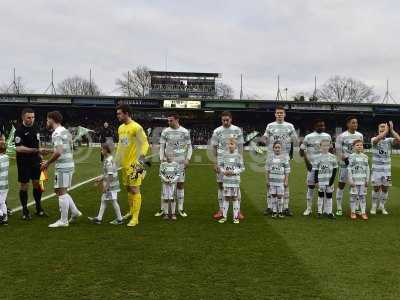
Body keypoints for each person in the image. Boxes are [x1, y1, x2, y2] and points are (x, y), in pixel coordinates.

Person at [41, 111, 82, 228]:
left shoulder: (56, 133)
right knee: (59, 191)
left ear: (51, 120)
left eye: (47, 119)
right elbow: (65, 149)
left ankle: (64, 221)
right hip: (69, 164)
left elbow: (59, 152)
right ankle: (74, 212)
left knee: (61, 192)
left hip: (63, 166)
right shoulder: (65, 131)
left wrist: (48, 163)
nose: (46, 122)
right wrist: (48, 151)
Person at [115, 104, 149, 227]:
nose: (117, 115)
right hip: (124, 165)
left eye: (119, 113)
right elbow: (121, 145)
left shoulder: (136, 127)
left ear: (126, 113)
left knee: (135, 189)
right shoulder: (120, 128)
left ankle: (135, 218)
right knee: (128, 189)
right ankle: (131, 211)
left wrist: (142, 157)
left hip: (135, 164)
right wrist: (116, 160)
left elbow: (145, 144)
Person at [262, 106, 298, 216]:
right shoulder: (270, 125)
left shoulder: (289, 126)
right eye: (277, 113)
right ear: (275, 114)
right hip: (271, 157)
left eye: (281, 113)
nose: (279, 115)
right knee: (270, 183)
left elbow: (295, 140)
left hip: (284, 157)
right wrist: (264, 140)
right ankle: (269, 207)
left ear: (284, 114)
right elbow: (264, 138)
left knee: (285, 183)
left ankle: (285, 208)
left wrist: (291, 142)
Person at [155, 113, 192, 218]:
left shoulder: (184, 132)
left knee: (180, 185)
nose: (169, 122)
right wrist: (162, 158)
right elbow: (162, 146)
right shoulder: (165, 131)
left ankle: (180, 208)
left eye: (171, 120)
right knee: (165, 185)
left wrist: (187, 159)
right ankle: (163, 209)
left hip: (180, 163)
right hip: (168, 163)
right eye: (168, 120)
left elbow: (189, 147)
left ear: (177, 120)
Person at [15, 108, 48, 219]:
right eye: (29, 117)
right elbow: (19, 148)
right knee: (24, 185)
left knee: (37, 183)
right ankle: (25, 210)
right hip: (23, 162)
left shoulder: (36, 127)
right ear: (23, 117)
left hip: (36, 161)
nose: (31, 119)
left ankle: (38, 208)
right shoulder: (19, 130)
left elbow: (37, 144)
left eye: (33, 117)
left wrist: (41, 156)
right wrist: (36, 150)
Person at [211, 111, 244, 220]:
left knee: (236, 186)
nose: (225, 122)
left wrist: (241, 159)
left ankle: (237, 211)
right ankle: (221, 210)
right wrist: (215, 162)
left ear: (231, 119)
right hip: (222, 162)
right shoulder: (217, 131)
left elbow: (240, 146)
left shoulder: (237, 130)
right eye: (223, 120)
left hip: (234, 161)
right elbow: (214, 148)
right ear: (221, 120)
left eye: (227, 120)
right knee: (221, 185)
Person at [300, 120, 332, 216]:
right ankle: (309, 208)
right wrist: (307, 163)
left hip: (325, 168)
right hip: (312, 167)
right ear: (315, 126)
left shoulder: (327, 136)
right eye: (320, 125)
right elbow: (301, 151)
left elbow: (330, 151)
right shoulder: (308, 137)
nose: (322, 127)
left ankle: (326, 210)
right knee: (311, 187)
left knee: (326, 188)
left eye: (323, 125)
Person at [334, 117, 363, 216]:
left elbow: (360, 149)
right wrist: (346, 160)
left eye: (356, 123)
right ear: (348, 124)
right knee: (341, 185)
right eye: (353, 123)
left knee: (357, 186)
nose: (355, 124)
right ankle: (338, 207)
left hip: (357, 167)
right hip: (344, 165)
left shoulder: (360, 135)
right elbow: (338, 151)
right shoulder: (342, 136)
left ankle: (356, 208)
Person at [88, 143, 123, 225]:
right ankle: (99, 218)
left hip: (111, 185)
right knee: (104, 200)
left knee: (113, 201)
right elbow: (107, 174)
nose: (101, 151)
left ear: (106, 150)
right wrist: (100, 179)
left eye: (102, 149)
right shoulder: (109, 159)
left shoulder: (108, 161)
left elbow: (110, 175)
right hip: (111, 184)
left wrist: (106, 186)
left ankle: (119, 219)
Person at [370, 121, 400, 215]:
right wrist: (386, 131)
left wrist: (391, 130)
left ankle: (382, 206)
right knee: (376, 188)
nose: (383, 128)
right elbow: (377, 140)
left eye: (384, 127)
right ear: (378, 129)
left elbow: (398, 140)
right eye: (381, 127)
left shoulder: (389, 140)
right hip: (376, 170)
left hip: (387, 170)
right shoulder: (374, 139)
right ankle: (374, 206)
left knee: (385, 188)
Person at [217, 138, 245, 224]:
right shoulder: (224, 155)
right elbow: (220, 166)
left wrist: (233, 172)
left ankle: (235, 217)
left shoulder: (238, 156)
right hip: (226, 181)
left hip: (235, 181)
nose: (230, 145)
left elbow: (243, 168)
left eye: (232, 144)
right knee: (226, 198)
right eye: (229, 144)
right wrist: (224, 171)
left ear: (235, 146)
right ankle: (224, 217)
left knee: (235, 198)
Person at [313, 139, 338, 219]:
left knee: (329, 196)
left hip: (329, 180)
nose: (325, 147)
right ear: (320, 146)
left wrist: (332, 180)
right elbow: (316, 170)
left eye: (327, 145)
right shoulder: (317, 158)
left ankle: (329, 212)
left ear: (330, 146)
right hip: (321, 181)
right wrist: (316, 181)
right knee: (320, 196)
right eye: (323, 145)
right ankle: (320, 212)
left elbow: (335, 169)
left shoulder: (333, 157)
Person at [266, 141, 290, 219]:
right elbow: (267, 170)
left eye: (279, 147)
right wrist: (267, 180)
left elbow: (287, 171)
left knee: (280, 196)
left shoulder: (284, 158)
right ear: (273, 148)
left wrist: (286, 180)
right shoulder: (270, 158)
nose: (277, 149)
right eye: (276, 147)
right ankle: (274, 211)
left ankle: (280, 211)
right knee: (273, 195)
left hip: (280, 182)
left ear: (281, 149)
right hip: (272, 181)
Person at [348, 139, 370, 220]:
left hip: (363, 181)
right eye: (357, 145)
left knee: (362, 197)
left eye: (361, 145)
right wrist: (350, 180)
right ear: (353, 147)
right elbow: (349, 169)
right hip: (354, 181)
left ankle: (363, 212)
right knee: (353, 197)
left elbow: (367, 169)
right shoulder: (351, 156)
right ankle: (353, 212)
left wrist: (367, 180)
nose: (359, 146)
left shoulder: (365, 157)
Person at [159, 152, 180, 221]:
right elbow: (160, 174)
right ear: (165, 156)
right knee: (165, 198)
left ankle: (173, 214)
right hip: (165, 184)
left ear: (173, 156)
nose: (169, 157)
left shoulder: (176, 164)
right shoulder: (162, 165)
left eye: (171, 155)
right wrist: (165, 180)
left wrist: (173, 180)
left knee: (172, 198)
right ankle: (166, 214)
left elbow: (178, 174)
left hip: (173, 184)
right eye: (168, 155)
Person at [0, 135, 9, 225]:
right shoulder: (6, 157)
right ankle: (5, 218)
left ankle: (1, 216)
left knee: (1, 203)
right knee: (2, 202)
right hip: (5, 184)